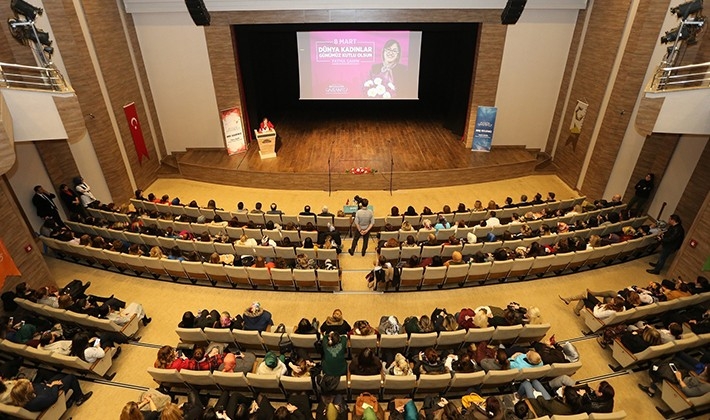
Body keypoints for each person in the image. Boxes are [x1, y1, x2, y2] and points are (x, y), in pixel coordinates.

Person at [9, 375, 92, 411]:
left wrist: (48, 385)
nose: (31, 383)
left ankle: (70, 398)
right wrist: (54, 385)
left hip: (47, 389)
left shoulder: (24, 397)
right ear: (26, 391)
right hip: (53, 396)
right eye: (29, 384)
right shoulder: (36, 401)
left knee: (60, 376)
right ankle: (79, 398)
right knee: (71, 378)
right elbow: (53, 398)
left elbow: (38, 387)